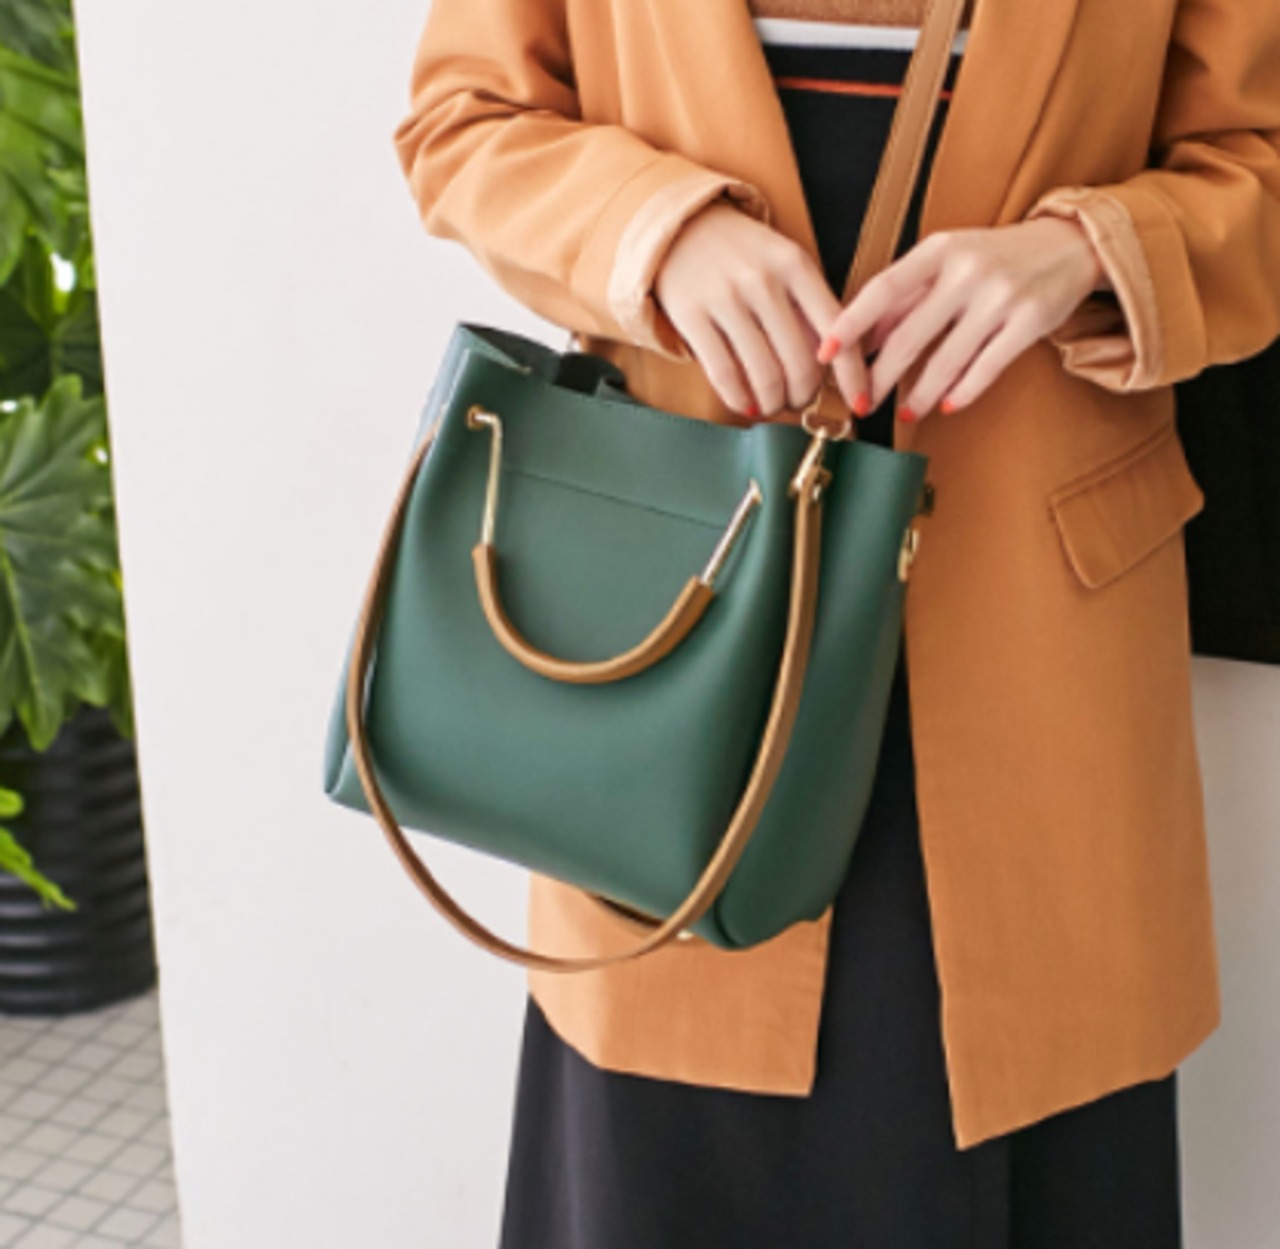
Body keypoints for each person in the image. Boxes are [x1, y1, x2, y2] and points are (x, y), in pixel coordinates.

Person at [390, 0, 1280, 1243]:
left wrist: (1088, 253)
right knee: (665, 1160)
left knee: (1025, 1115)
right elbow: (462, 120)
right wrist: (656, 231)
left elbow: (1256, 163)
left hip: (1036, 658)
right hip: (680, 638)